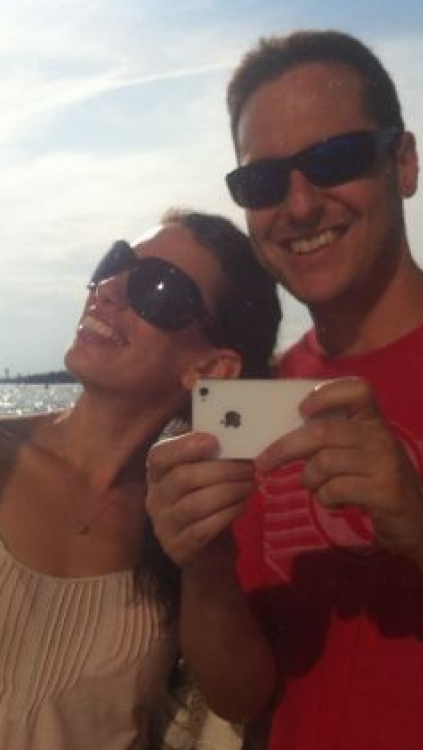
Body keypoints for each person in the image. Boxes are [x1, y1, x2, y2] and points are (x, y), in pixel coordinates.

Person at [146, 30, 423, 750]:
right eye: (264, 182)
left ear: (404, 162)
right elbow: (241, 695)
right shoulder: (256, 403)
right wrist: (203, 566)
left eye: (336, 159)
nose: (300, 205)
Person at [0, 207, 280, 749]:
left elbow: (239, 700)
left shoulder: (184, 522)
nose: (107, 290)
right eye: (115, 262)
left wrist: (205, 565)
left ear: (211, 369)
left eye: (156, 288)